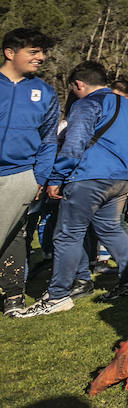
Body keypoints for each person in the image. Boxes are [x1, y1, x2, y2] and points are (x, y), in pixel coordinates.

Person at [20, 61, 128, 317]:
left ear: (79, 84)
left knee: (68, 233)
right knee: (110, 228)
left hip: (90, 175)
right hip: (124, 177)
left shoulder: (87, 103)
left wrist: (56, 176)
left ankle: (58, 295)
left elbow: (75, 141)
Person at [0, 28, 59, 316]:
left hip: (21, 174)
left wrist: (39, 176)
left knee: (15, 234)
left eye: (42, 52)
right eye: (33, 52)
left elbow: (48, 138)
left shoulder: (45, 92)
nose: (41, 58)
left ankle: (13, 296)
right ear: (10, 53)